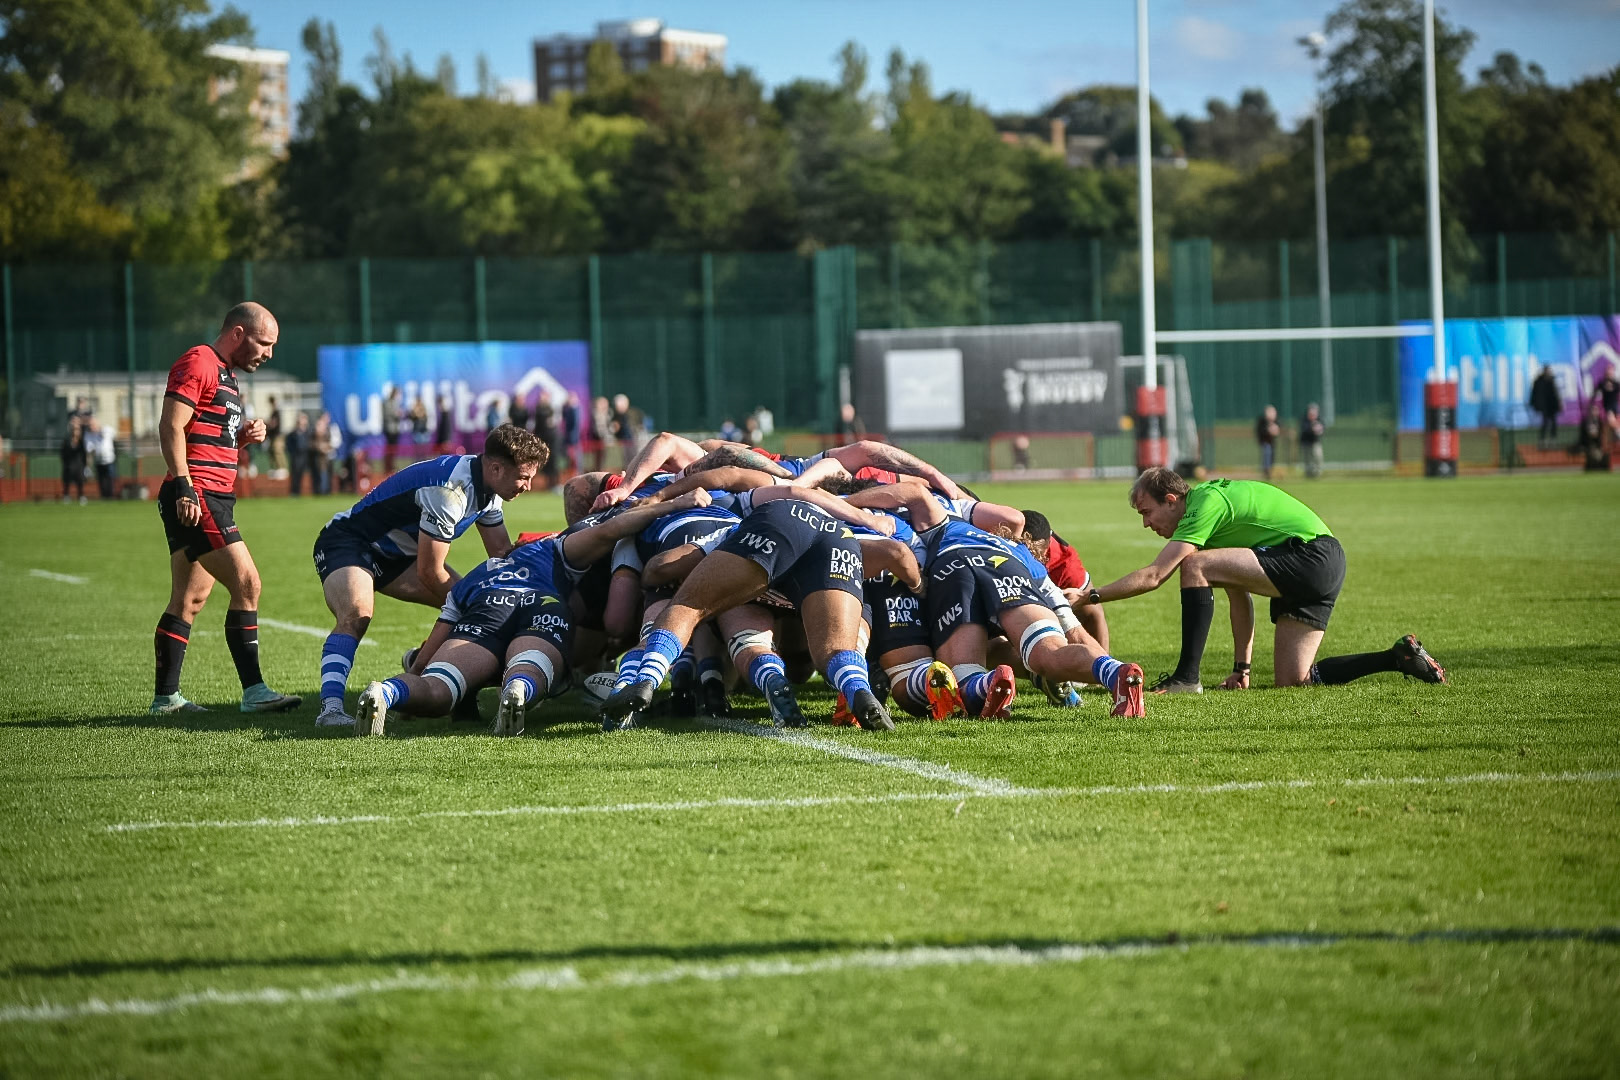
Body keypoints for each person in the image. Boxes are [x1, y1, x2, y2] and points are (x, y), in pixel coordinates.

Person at [1080, 467, 1448, 694]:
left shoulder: (1205, 504)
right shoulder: (1209, 519)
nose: (1146, 523)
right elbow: (1238, 593)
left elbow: (1155, 575)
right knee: (1295, 680)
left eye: (1147, 512)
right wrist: (1242, 670)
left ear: (1172, 500)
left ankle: (1186, 678)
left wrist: (1090, 596)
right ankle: (1396, 657)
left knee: (1194, 565)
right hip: (1322, 563)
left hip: (1310, 556)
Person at [310, 423, 547, 728]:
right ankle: (330, 710)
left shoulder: (490, 488)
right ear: (496, 468)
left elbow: (500, 553)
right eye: (524, 477)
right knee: (357, 614)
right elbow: (429, 572)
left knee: (483, 609)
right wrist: (478, 609)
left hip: (398, 556)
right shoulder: (449, 491)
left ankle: (428, 670)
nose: (528, 486)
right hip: (350, 543)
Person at [149, 302, 301, 715]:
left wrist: (243, 438)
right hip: (198, 495)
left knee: (190, 598)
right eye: (264, 343)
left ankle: (166, 699)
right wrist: (184, 486)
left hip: (208, 494)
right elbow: (170, 425)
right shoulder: (199, 361)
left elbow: (204, 435)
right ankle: (255, 692)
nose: (269, 353)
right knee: (248, 583)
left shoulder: (228, 376)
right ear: (237, 334)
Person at [1528, 366, 1561, 449]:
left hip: (1552, 406)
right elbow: (1535, 394)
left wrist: (1559, 403)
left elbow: (1556, 394)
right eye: (1547, 371)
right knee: (1545, 423)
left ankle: (1553, 440)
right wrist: (1534, 404)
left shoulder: (1552, 380)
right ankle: (1542, 440)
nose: (1548, 372)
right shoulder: (1539, 381)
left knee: (1553, 423)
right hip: (1545, 406)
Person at [86, 417, 117, 499]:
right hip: (99, 461)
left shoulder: (107, 430)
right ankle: (104, 497)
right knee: (102, 481)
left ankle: (111, 497)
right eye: (90, 426)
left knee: (110, 480)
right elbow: (90, 451)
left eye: (92, 425)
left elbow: (115, 436)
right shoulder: (90, 436)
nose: (91, 427)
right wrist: (88, 466)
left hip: (109, 460)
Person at [59, 417, 88, 504]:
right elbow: (63, 452)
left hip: (79, 464)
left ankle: (81, 496)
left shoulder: (81, 441)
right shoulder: (67, 441)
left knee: (80, 481)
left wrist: (85, 464)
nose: (76, 431)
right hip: (69, 464)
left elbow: (84, 453)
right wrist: (65, 462)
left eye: (77, 429)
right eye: (74, 429)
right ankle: (66, 496)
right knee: (67, 481)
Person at [285, 412, 311, 495]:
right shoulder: (293, 433)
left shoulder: (309, 433)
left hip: (306, 457)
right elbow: (288, 445)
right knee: (295, 476)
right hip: (296, 457)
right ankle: (295, 492)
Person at [382, 386, 404, 473]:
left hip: (395, 429)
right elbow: (388, 414)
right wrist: (397, 414)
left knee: (394, 449)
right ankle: (388, 466)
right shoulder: (387, 402)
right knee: (389, 448)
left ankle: (392, 466)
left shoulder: (396, 403)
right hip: (390, 429)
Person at [1299, 403, 1325, 478]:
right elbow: (1304, 430)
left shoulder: (1319, 420)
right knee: (1308, 460)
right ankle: (1309, 474)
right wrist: (1312, 428)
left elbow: (1323, 428)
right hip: (1306, 442)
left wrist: (1319, 429)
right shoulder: (1304, 420)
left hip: (1315, 442)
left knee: (1318, 457)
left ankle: (1317, 474)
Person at [1255, 405, 1280, 480]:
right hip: (1264, 441)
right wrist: (1268, 430)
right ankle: (1266, 470)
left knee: (1271, 455)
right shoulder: (1262, 420)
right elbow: (1260, 431)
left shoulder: (1276, 421)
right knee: (1267, 453)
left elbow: (1278, 430)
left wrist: (1275, 430)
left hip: (1272, 442)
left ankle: (1270, 470)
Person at [264, 396, 285, 478]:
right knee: (272, 451)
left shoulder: (277, 412)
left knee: (277, 451)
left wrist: (266, 423)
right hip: (272, 436)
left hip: (277, 435)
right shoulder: (273, 412)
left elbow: (273, 424)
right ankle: (276, 468)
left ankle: (281, 468)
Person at [561, 393, 581, 476]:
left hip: (574, 438)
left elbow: (574, 424)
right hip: (570, 437)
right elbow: (564, 418)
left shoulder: (575, 409)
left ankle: (577, 472)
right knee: (570, 456)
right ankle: (572, 471)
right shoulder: (569, 409)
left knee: (575, 456)